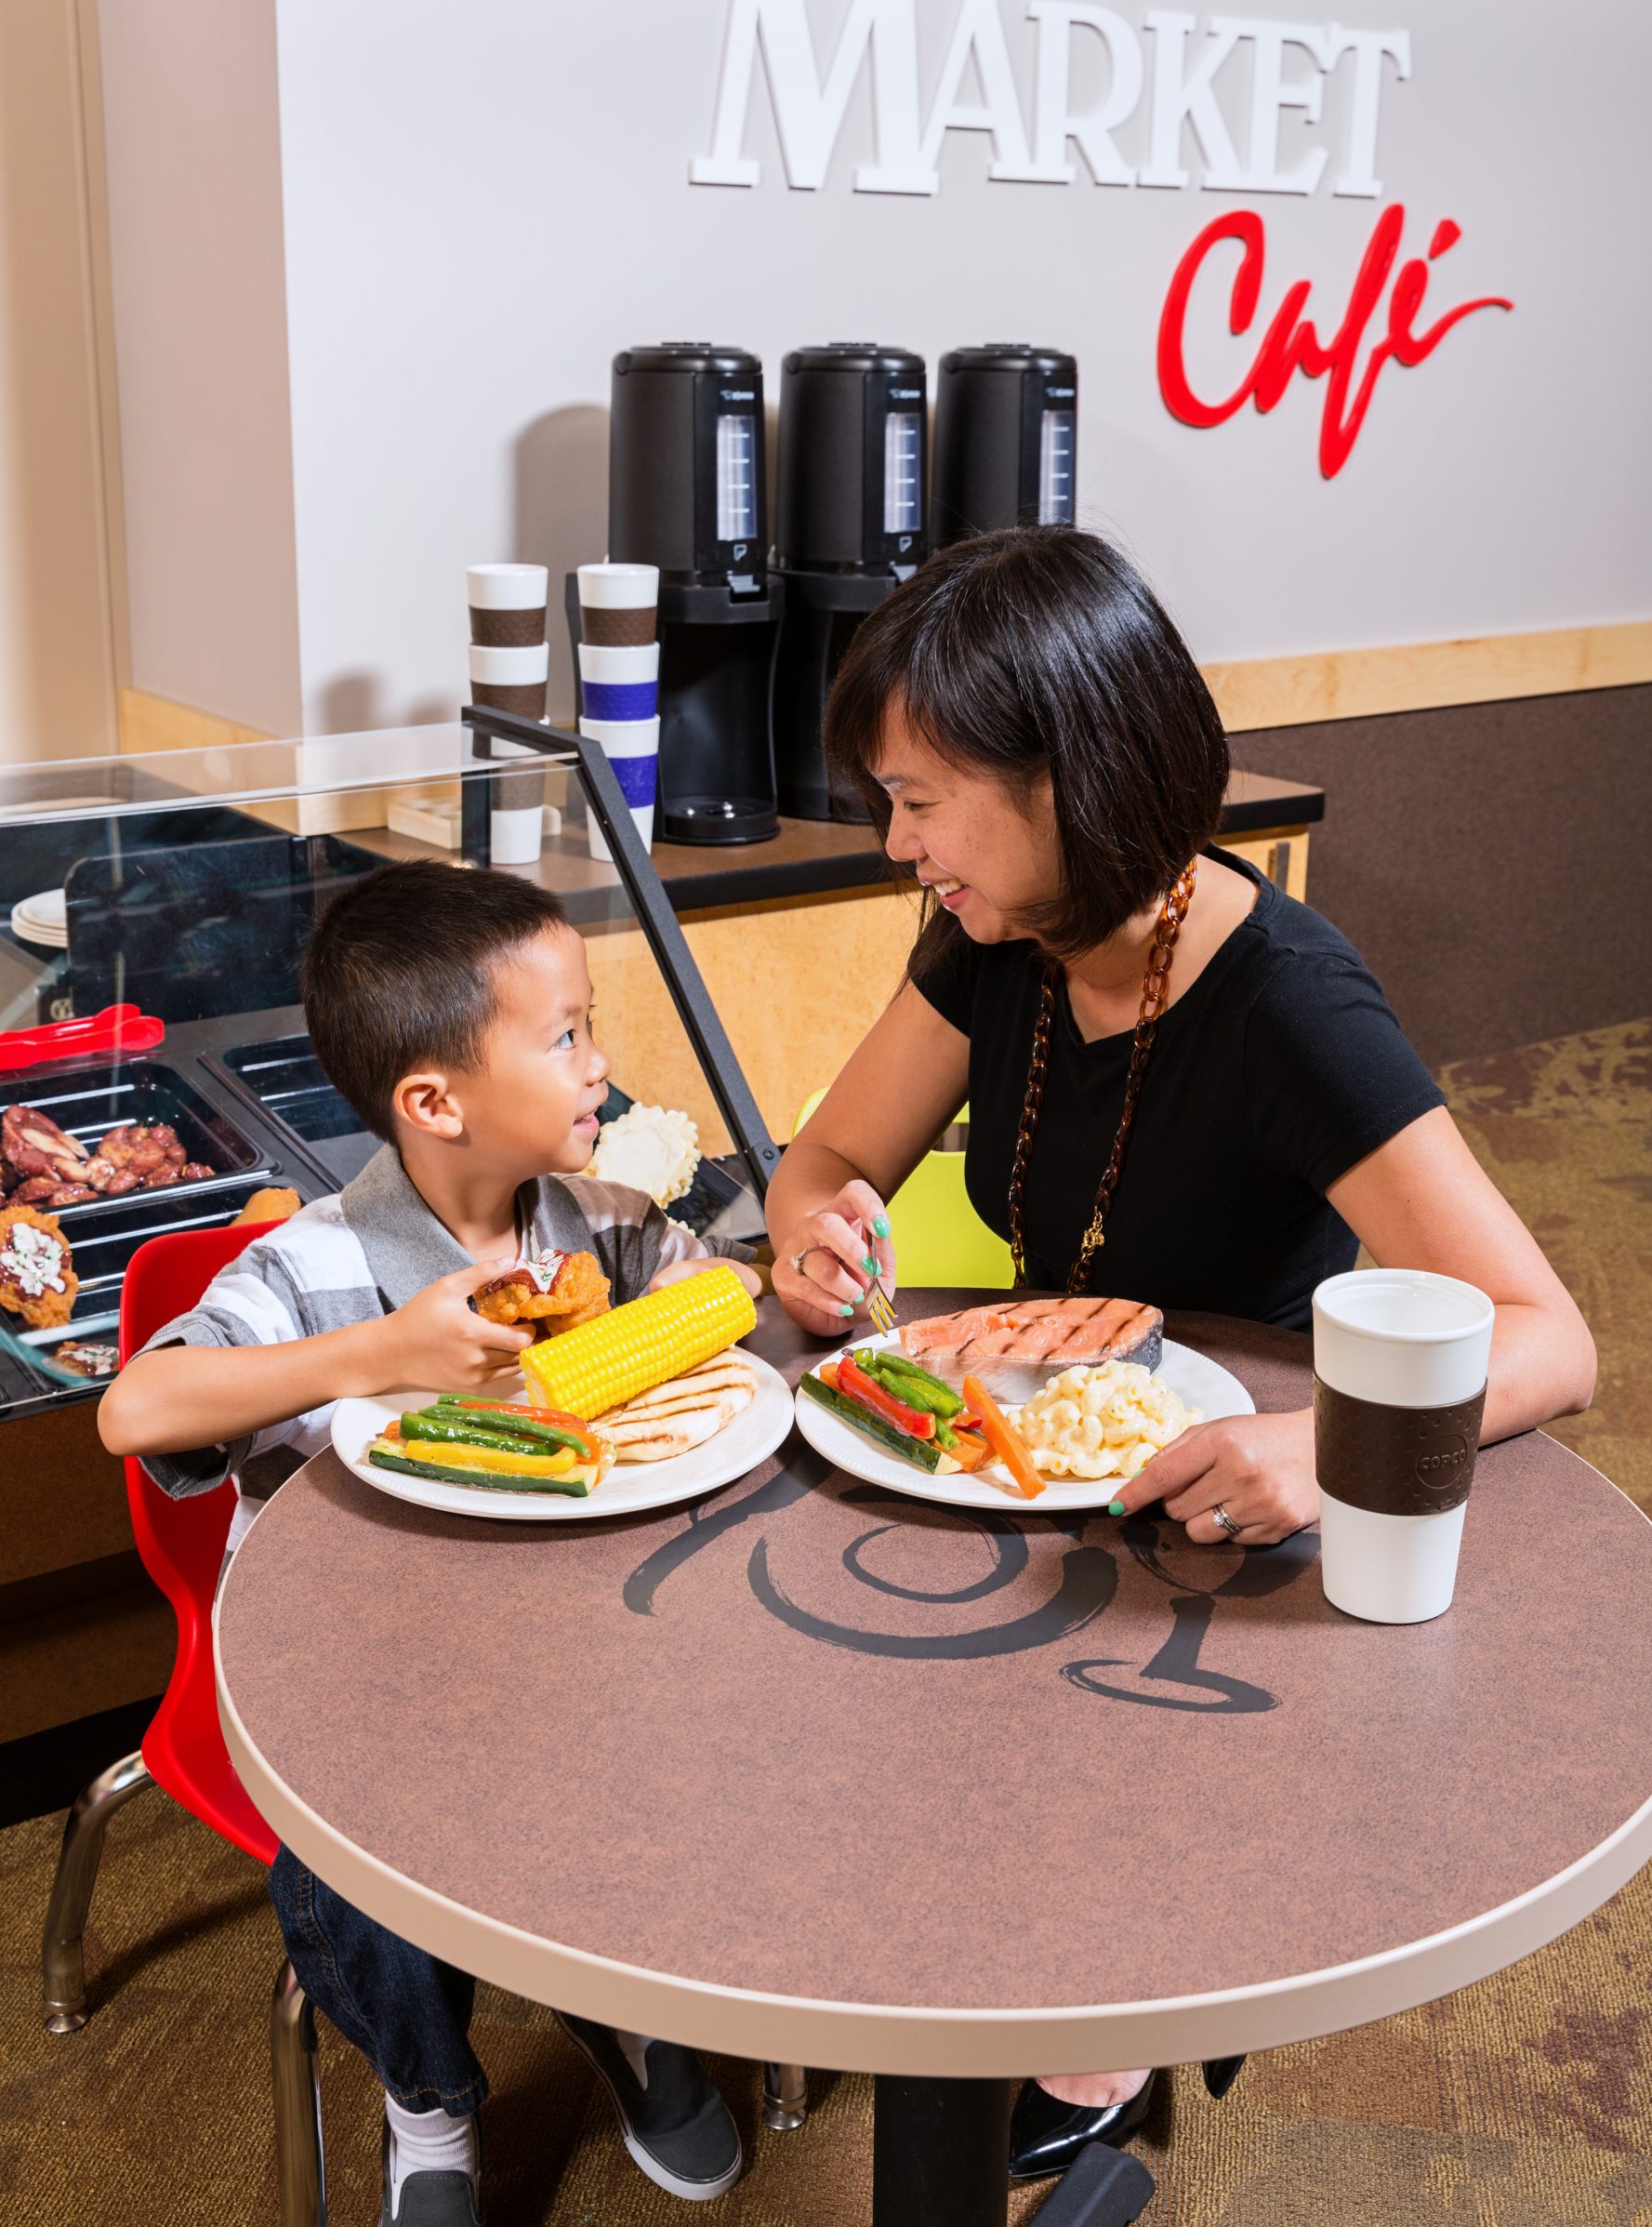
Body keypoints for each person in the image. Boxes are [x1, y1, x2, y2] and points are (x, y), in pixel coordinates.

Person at [764, 524, 1595, 2184]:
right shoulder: (991, 937)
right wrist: (816, 1226)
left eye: (921, 801)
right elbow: (821, 1159)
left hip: (1227, 1518)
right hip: (1047, 1466)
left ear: (1067, 775)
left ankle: (1094, 2046)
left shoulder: (1288, 1000)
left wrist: (1319, 1449)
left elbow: (1553, 1340)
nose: (897, 847)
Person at [100, 860, 762, 2225]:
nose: (603, 1066)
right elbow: (139, 1408)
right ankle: (429, 2099)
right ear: (434, 1102)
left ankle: (626, 2016)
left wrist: (764, 1279)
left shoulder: (611, 1229)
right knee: (360, 1878)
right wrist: (384, 1352)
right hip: (367, 1683)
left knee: (693, 1772)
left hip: (582, 1650)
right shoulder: (311, 1265)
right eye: (565, 1034)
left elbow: (724, 1298)